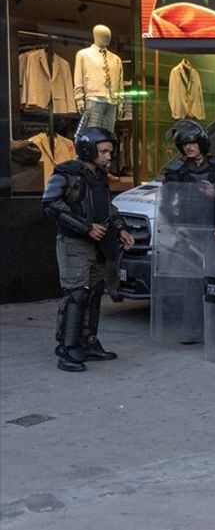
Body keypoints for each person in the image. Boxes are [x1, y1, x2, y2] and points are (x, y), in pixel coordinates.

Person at [42, 127, 135, 371]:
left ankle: (88, 342)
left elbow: (107, 208)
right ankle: (67, 348)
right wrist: (85, 227)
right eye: (103, 151)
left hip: (99, 244)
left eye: (109, 151)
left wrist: (121, 228)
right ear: (88, 149)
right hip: (74, 243)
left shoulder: (99, 176)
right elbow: (50, 204)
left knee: (94, 293)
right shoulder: (66, 173)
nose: (108, 156)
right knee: (77, 294)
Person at [162, 118, 215, 185]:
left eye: (192, 142)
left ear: (201, 143)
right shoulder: (176, 170)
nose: (187, 147)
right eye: (184, 144)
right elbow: (168, 193)